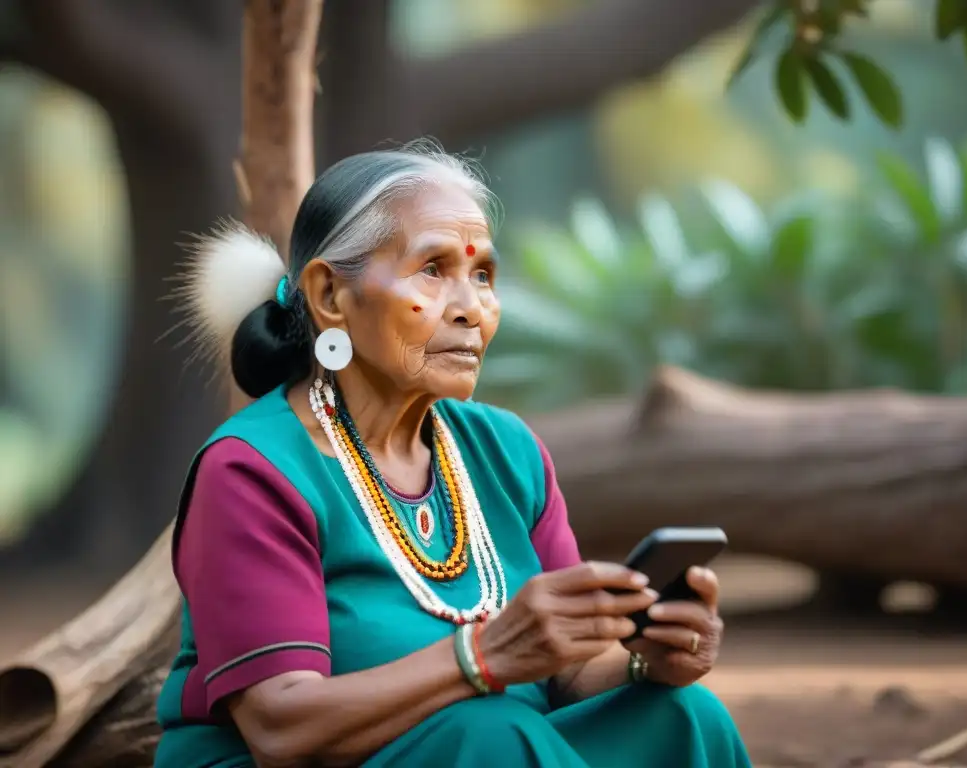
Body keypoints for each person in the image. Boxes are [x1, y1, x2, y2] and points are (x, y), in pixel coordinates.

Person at [154, 143, 752, 768]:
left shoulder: (505, 451)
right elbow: (280, 729)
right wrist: (482, 655)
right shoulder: (252, 471)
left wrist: (645, 658)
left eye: (484, 275)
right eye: (433, 270)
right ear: (330, 295)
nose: (471, 308)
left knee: (683, 715)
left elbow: (566, 675)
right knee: (489, 734)